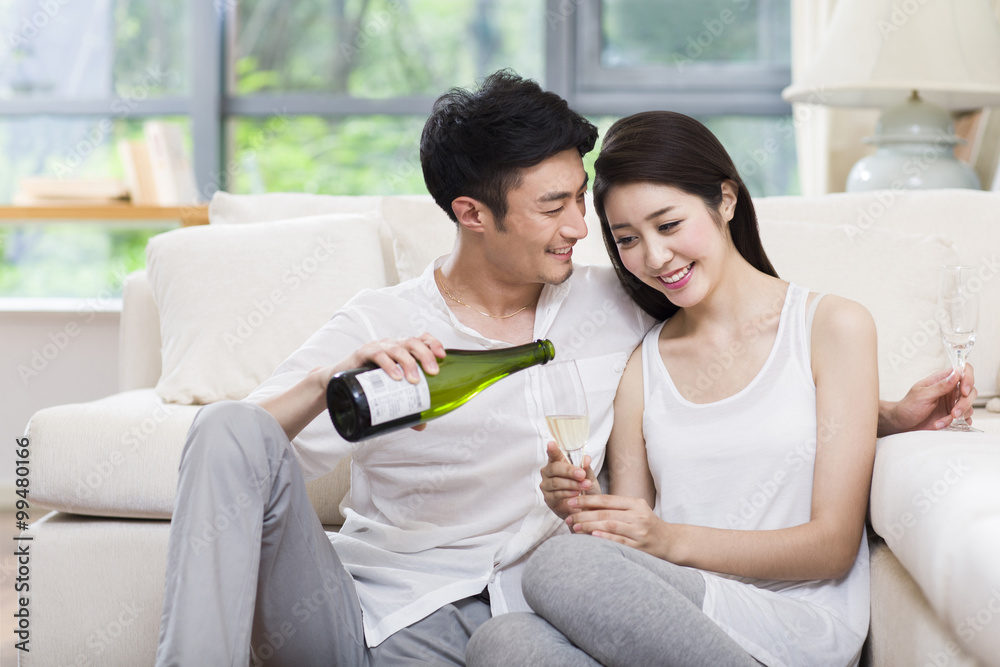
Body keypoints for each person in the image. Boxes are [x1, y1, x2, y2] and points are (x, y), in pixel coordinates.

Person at [154, 72, 977, 666]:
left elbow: (744, 377)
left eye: (580, 200)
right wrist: (334, 380)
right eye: (555, 207)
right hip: (370, 620)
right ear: (472, 215)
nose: (582, 229)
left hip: (523, 615)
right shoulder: (381, 327)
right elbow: (242, 464)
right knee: (227, 425)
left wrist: (886, 414)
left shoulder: (616, 306)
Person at [464, 110, 978, 667]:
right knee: (502, 643)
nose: (655, 258)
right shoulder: (644, 364)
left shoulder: (832, 326)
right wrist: (584, 506)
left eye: (668, 225)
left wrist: (668, 540)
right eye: (628, 239)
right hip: (678, 621)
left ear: (726, 200)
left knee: (557, 567)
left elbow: (830, 548)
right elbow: (626, 539)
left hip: (791, 625)